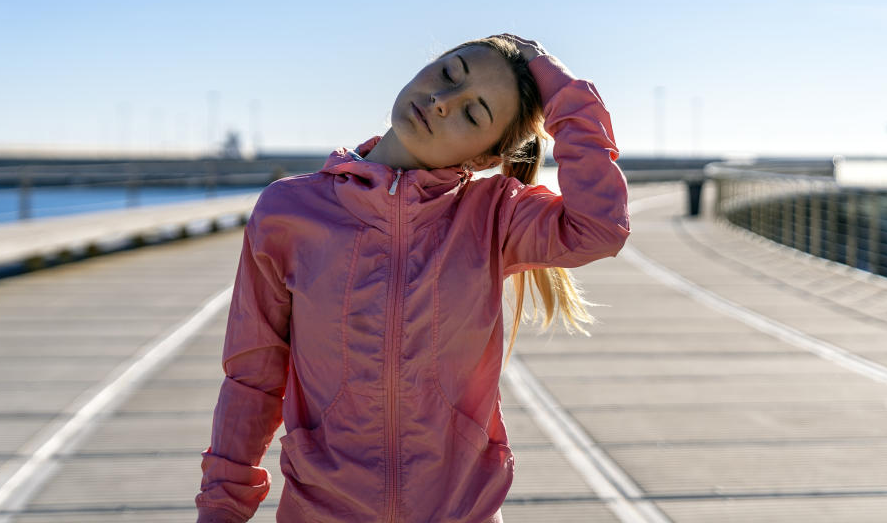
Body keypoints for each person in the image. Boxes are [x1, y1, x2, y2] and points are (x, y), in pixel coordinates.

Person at [194, 33, 631, 522]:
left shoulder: (494, 217)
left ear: (486, 157)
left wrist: (549, 73)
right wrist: (221, 510)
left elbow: (599, 228)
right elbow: (252, 379)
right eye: (449, 74)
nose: (442, 103)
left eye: (473, 113)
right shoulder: (289, 210)